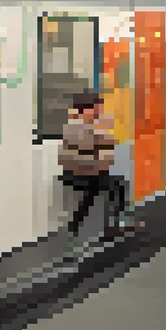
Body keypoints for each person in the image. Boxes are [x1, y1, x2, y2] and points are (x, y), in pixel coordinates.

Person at [58, 91, 136, 256]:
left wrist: (102, 147)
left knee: (107, 188)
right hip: (80, 173)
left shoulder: (86, 127)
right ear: (85, 109)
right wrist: (103, 145)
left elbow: (105, 146)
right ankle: (115, 223)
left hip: (90, 172)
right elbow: (93, 149)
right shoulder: (76, 127)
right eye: (95, 109)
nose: (97, 113)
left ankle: (106, 224)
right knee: (114, 186)